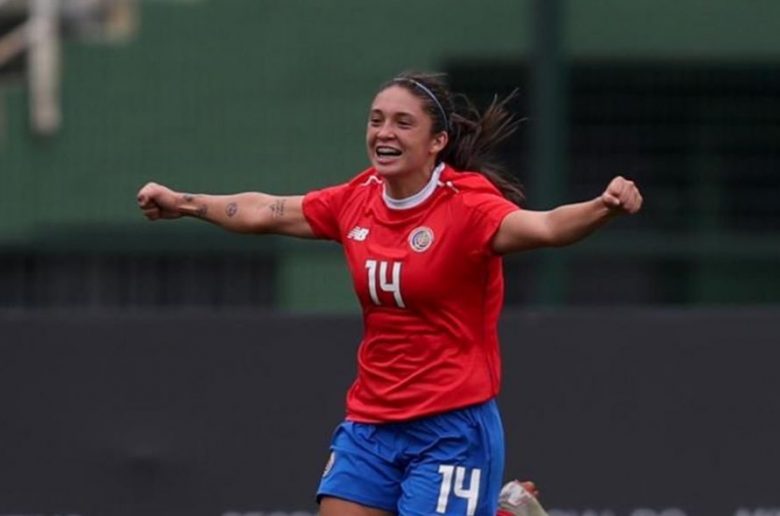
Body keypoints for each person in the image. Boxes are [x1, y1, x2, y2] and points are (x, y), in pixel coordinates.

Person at [137, 71, 642, 515]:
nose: (384, 132)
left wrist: (604, 206)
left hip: (452, 426)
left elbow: (547, 227)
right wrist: (183, 203)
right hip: (371, 422)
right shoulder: (357, 199)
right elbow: (267, 211)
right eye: (376, 120)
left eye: (403, 123)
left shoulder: (467, 207)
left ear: (437, 141)